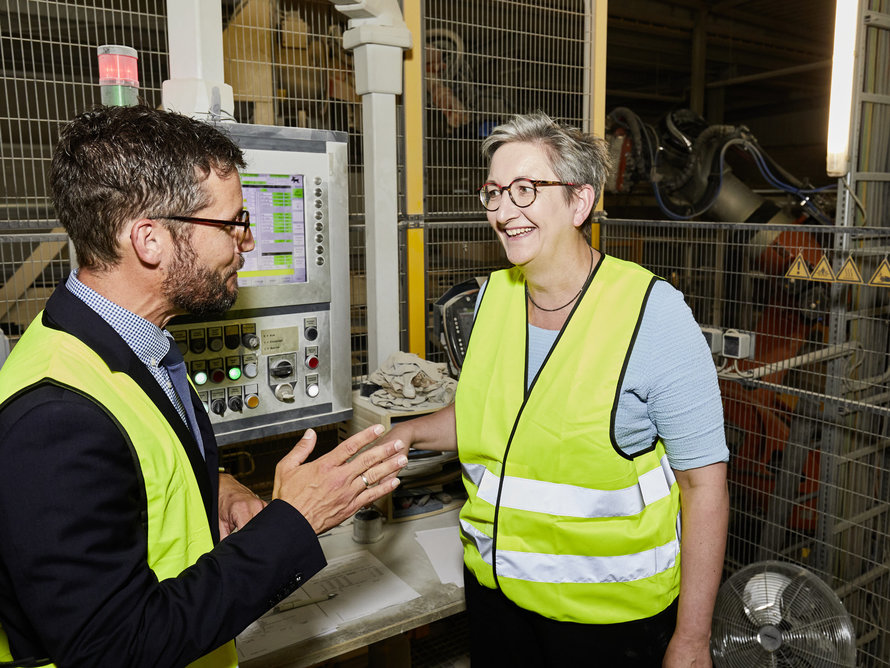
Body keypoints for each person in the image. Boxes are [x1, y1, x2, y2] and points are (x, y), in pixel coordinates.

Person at [0, 104, 407, 667]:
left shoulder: (127, 343)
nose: (248, 241)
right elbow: (112, 649)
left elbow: (132, 463)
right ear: (150, 240)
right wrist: (297, 522)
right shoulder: (54, 420)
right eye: (233, 222)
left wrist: (214, 487)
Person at [381, 112, 730, 667]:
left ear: (579, 201)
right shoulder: (491, 299)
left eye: (526, 190)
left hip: (608, 621)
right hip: (498, 599)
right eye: (494, 192)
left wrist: (692, 639)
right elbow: (487, 416)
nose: (503, 211)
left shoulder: (652, 314)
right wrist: (396, 438)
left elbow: (702, 483)